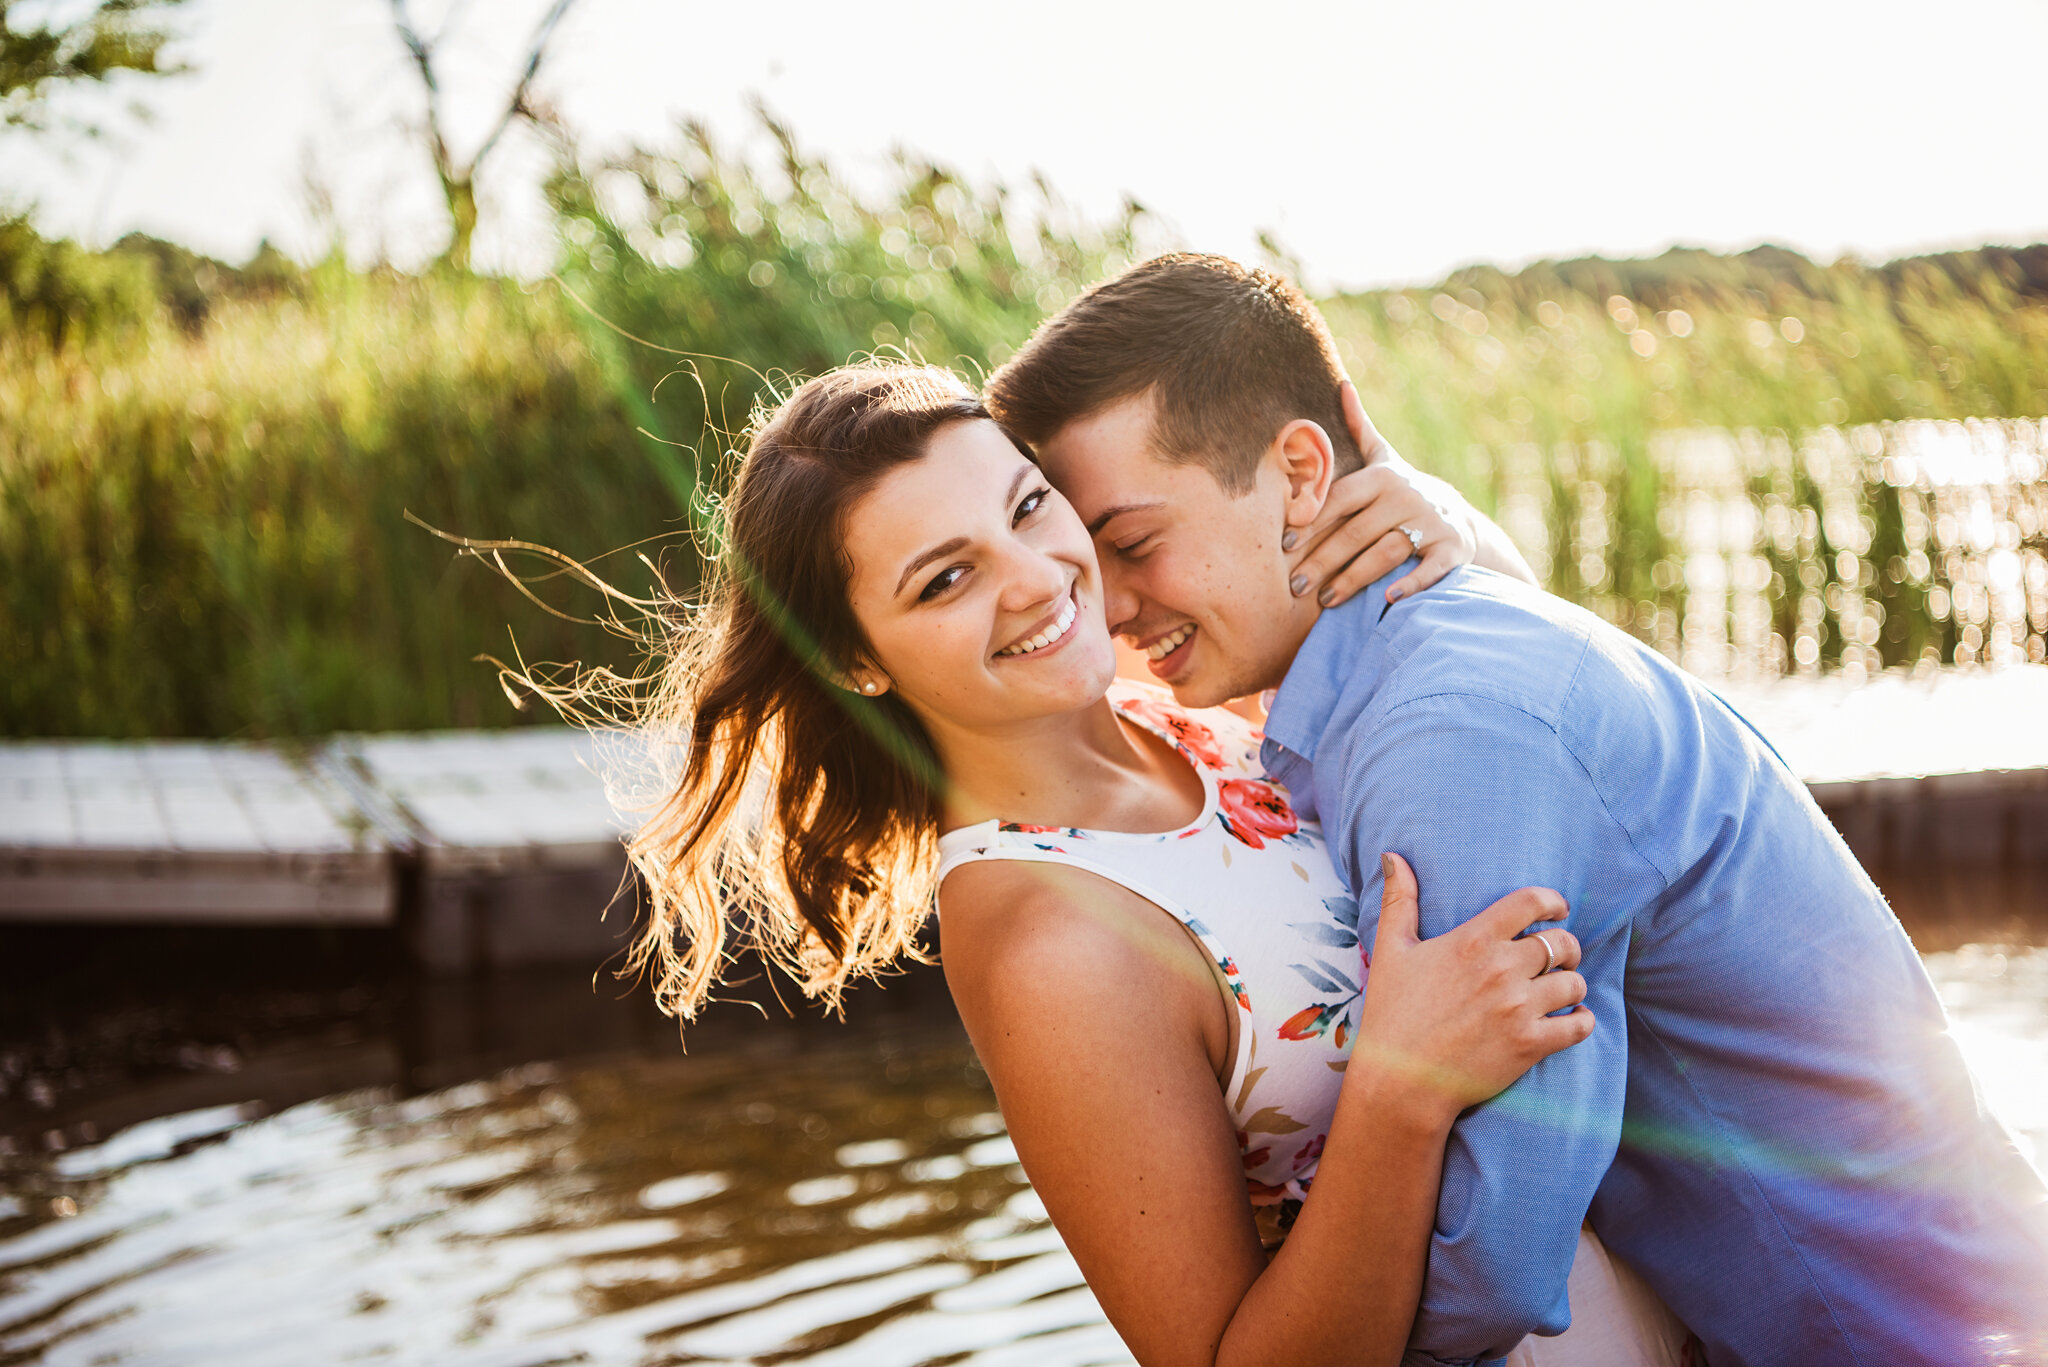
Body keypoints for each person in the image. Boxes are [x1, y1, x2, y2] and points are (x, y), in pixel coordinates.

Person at [983, 252, 2048, 1366]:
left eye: (1134, 542)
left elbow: (1496, 1244)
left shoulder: (1445, 730)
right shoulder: (1436, 646)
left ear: (1301, 470)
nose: (1101, 605)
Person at [610, 361, 1690, 1365]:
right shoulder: (1050, 938)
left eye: (1029, 506)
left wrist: (1444, 527)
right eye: (946, 578)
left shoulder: (1179, 687)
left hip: (1641, 1295)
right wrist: (1399, 1093)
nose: (1037, 579)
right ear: (851, 658)